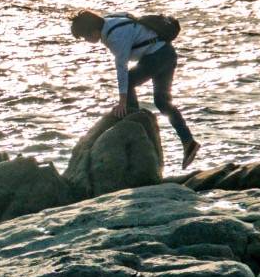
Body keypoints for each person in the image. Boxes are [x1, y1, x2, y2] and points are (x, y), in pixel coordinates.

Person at [69, 9, 201, 169]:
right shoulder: (110, 19)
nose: (86, 40)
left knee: (130, 81)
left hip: (157, 57)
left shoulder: (115, 38)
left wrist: (122, 102)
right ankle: (188, 142)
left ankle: (135, 122)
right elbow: (126, 15)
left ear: (94, 32)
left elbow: (121, 69)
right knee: (162, 102)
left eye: (85, 37)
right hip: (167, 53)